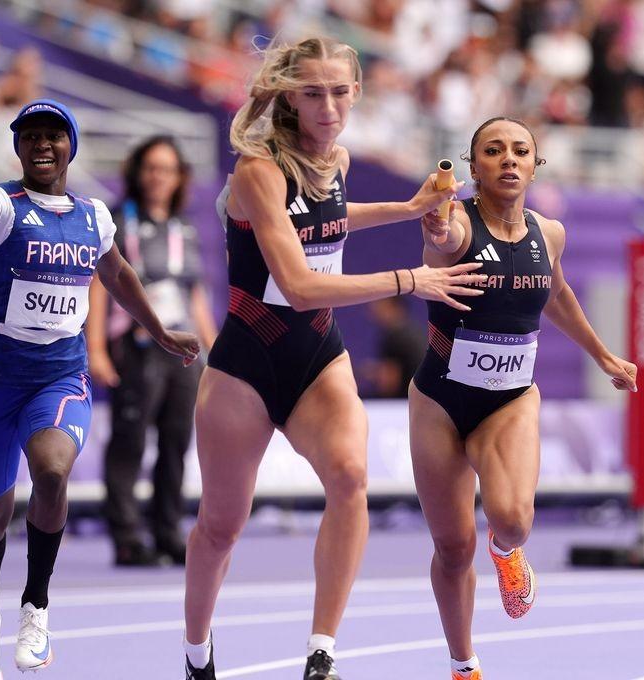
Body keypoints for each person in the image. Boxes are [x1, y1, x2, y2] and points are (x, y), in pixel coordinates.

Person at [182, 37, 485, 680]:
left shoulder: (337, 160)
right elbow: (299, 285)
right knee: (220, 525)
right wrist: (413, 279)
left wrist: (408, 209)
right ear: (290, 95)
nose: (328, 106)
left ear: (357, 93)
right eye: (314, 93)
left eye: (341, 91)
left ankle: (322, 651)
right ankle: (197, 653)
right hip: (246, 362)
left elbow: (331, 217)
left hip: (318, 354)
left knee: (350, 480)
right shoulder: (257, 171)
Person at [0, 98, 200, 680]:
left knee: (51, 470)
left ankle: (36, 606)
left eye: (54, 136)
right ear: (18, 147)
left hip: (58, 373)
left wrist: (159, 331)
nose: (43, 145)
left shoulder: (93, 215)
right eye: (31, 136)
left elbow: (116, 272)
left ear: (71, 146)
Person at [411, 116, 638, 680]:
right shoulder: (460, 224)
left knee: (510, 520)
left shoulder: (550, 233)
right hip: (439, 401)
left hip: (509, 400)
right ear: (474, 166)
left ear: (536, 165)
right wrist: (436, 218)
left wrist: (604, 355)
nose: (507, 159)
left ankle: (508, 552)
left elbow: (556, 293)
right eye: (493, 151)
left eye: (519, 151)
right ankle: (464, 665)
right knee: (452, 547)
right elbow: (440, 239)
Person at [85, 136, 217, 567]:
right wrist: (98, 348)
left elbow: (193, 292)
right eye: (151, 168)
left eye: (168, 169)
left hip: (183, 350)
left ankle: (167, 531)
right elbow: (101, 285)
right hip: (138, 344)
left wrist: (214, 353)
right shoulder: (119, 221)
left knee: (177, 442)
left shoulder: (187, 228)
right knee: (130, 439)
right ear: (138, 173)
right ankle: (126, 536)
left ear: (180, 177)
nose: (159, 177)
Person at [361, 295, 425, 398]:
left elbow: (390, 383)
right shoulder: (414, 331)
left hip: (402, 403)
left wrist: (374, 374)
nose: (373, 307)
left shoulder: (396, 336)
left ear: (392, 305)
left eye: (379, 302)